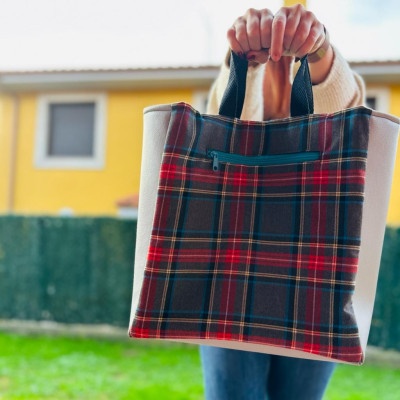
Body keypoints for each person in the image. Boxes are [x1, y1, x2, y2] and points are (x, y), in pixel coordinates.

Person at [199, 5, 366, 400]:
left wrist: (320, 51)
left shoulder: (327, 64)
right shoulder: (232, 69)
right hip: (233, 264)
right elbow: (221, 113)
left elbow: (350, 113)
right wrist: (239, 61)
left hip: (319, 267)